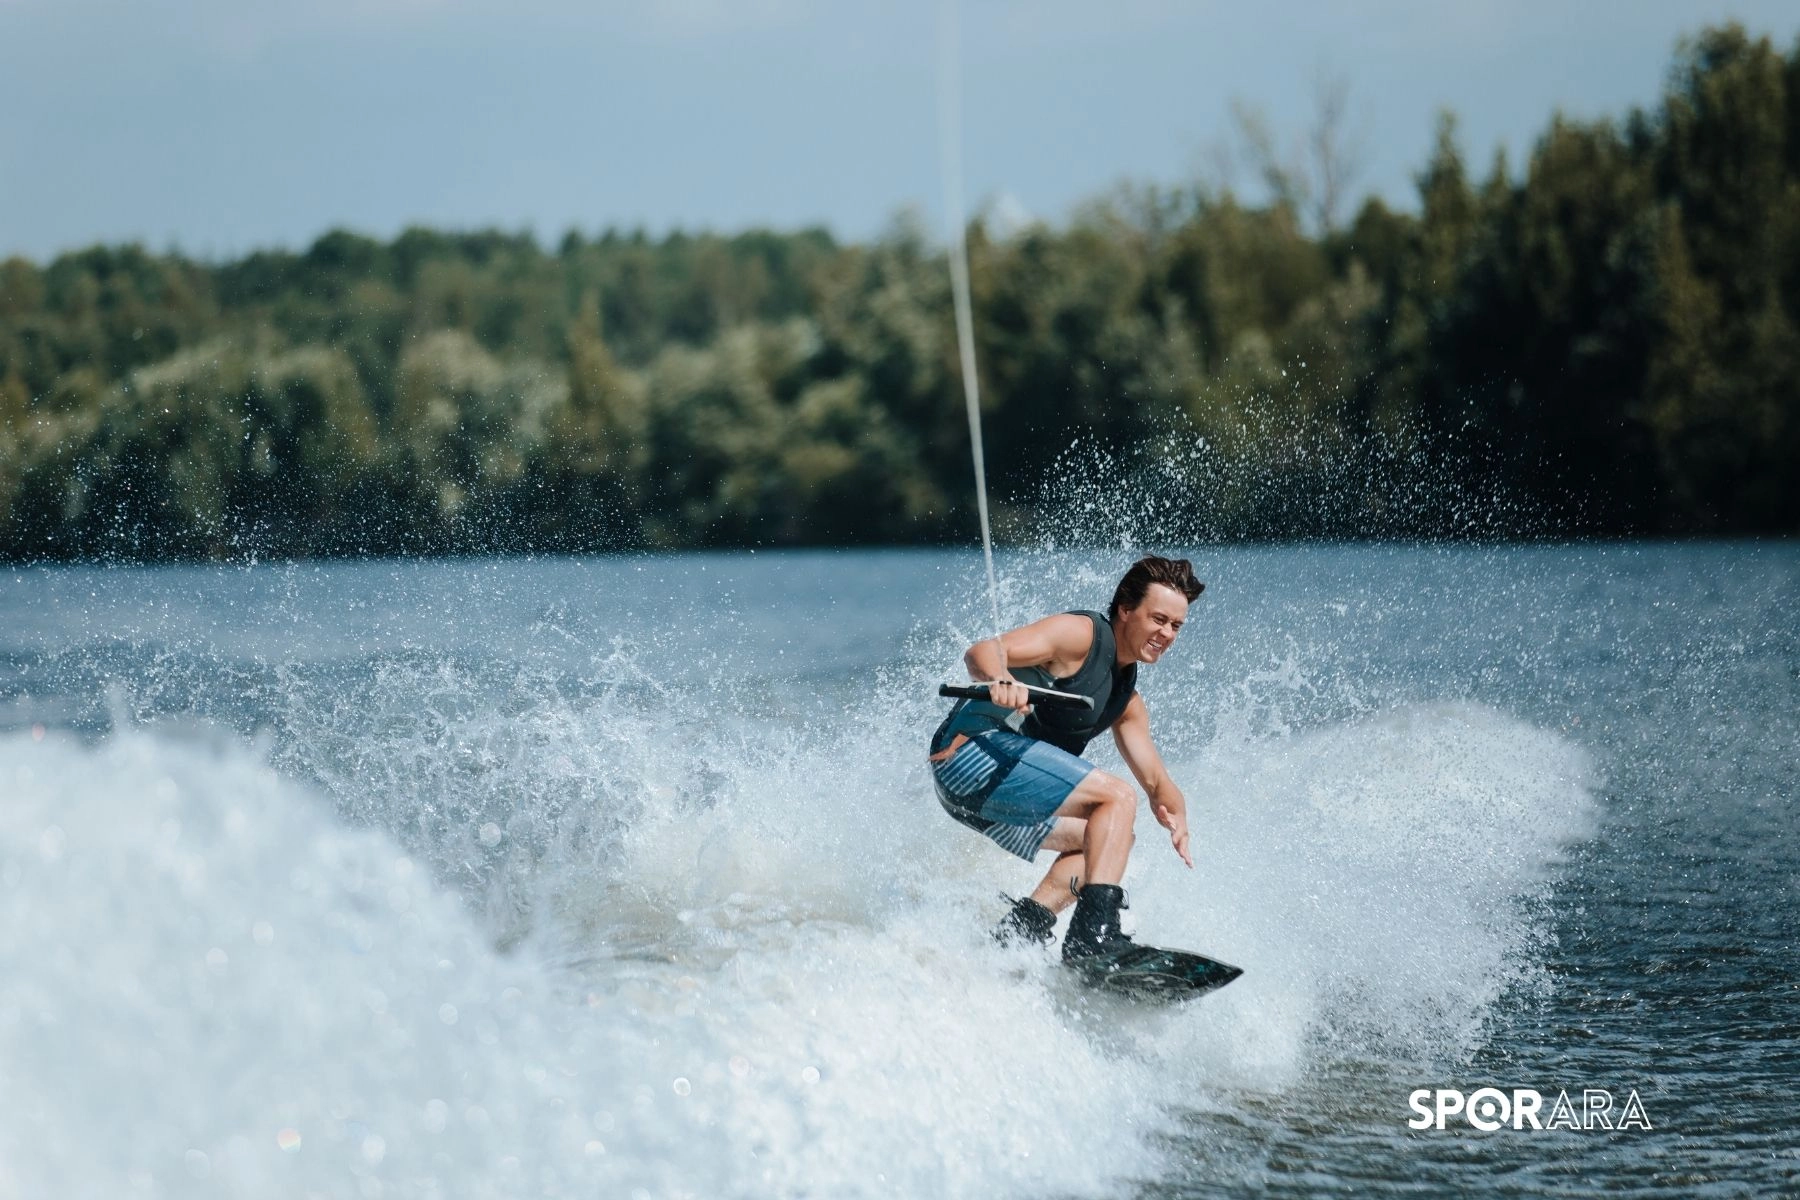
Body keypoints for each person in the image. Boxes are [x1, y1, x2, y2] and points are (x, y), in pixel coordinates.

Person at [928, 555, 1204, 964]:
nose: (1166, 634)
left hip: (984, 800)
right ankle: (1093, 939)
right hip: (967, 757)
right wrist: (1000, 678)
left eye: (1175, 626)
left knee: (1111, 840)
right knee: (1116, 798)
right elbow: (982, 652)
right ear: (1126, 610)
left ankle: (1019, 932)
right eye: (1158, 619)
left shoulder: (1126, 702)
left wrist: (1174, 809)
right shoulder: (1081, 635)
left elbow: (1155, 780)